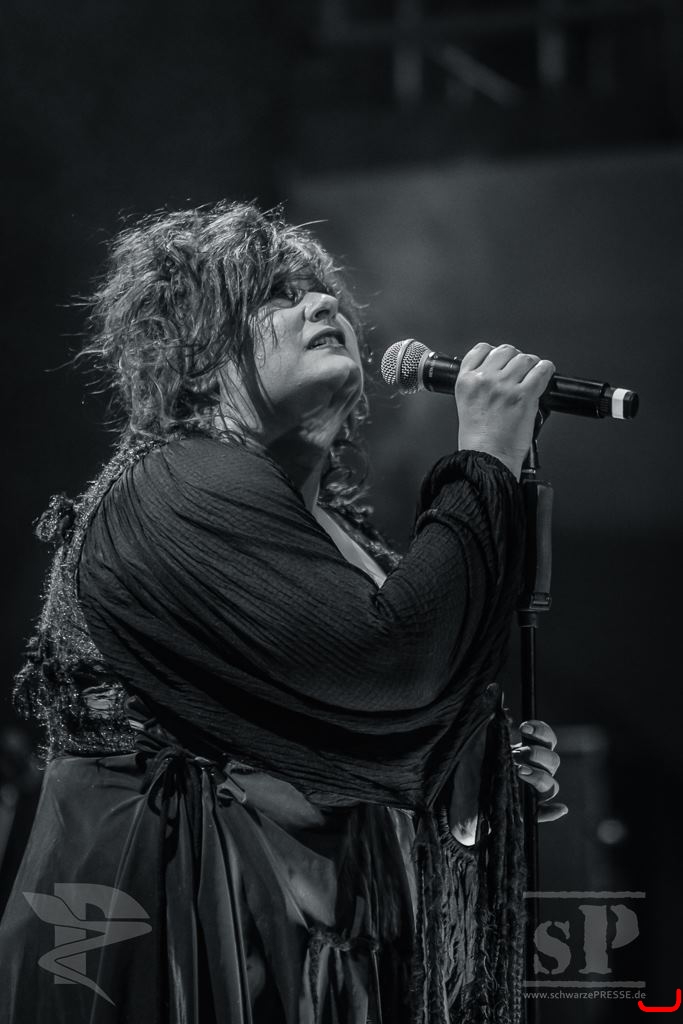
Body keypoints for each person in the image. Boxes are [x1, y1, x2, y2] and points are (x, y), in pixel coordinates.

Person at [0, 202, 566, 1024]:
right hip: (166, 922)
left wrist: (474, 764)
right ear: (195, 355)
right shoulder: (178, 485)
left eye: (321, 291)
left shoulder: (347, 539)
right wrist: (484, 456)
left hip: (314, 949)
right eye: (274, 294)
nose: (323, 303)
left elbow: (360, 714)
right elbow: (390, 667)